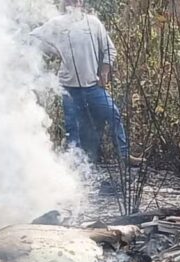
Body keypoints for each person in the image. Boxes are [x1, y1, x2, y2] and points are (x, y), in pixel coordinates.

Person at [31, 0, 138, 166]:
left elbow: (110, 50)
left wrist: (104, 71)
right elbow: (34, 37)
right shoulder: (57, 23)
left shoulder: (93, 23)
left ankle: (124, 155)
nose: (75, 3)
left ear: (82, 3)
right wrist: (53, 50)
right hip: (69, 89)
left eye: (78, 0)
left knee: (113, 113)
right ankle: (76, 168)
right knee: (73, 129)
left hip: (93, 86)